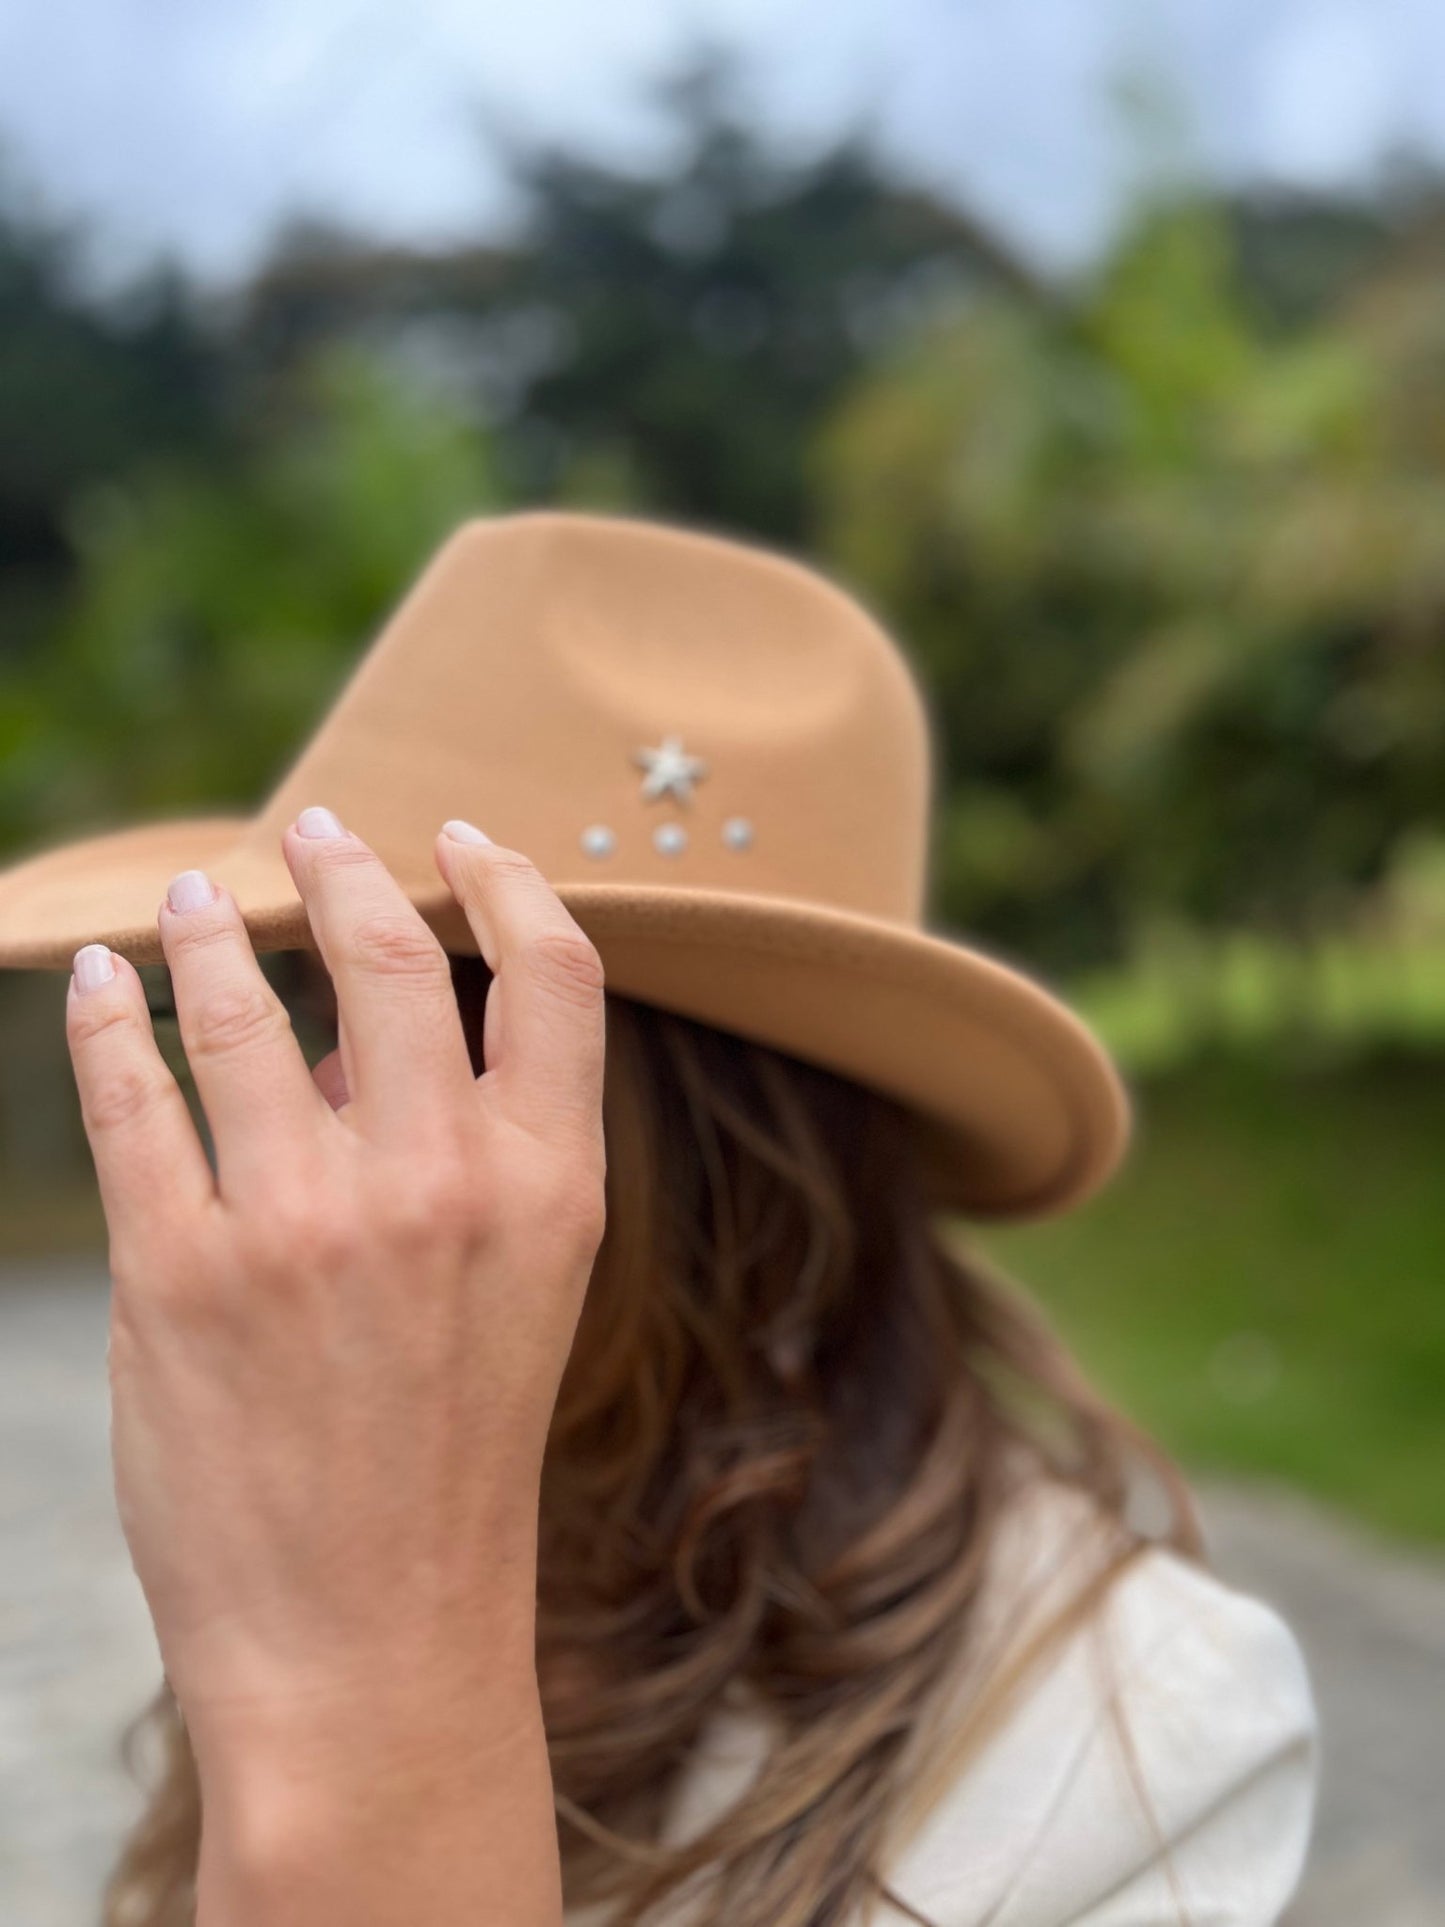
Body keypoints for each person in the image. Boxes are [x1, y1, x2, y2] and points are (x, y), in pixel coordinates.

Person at [0, 513, 1317, 1926]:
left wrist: (366, 1696)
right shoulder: (380, 1495)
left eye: (378, 1018)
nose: (285, 1137)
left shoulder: (1137, 1732)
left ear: (708, 1159)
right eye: (301, 997)